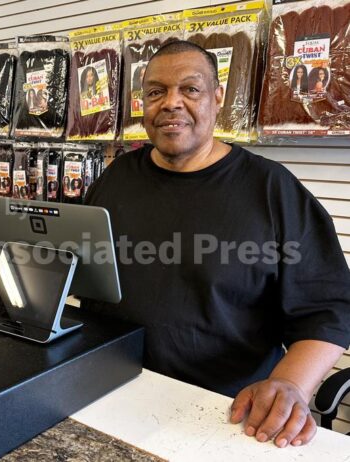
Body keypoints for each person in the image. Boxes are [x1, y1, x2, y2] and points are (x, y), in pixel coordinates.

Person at [83, 40, 350, 448]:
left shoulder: (271, 190)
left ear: (217, 98)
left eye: (190, 89)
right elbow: (83, 273)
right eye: (156, 92)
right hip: (112, 392)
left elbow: (328, 307)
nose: (171, 103)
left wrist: (290, 384)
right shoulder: (116, 177)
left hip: (227, 414)